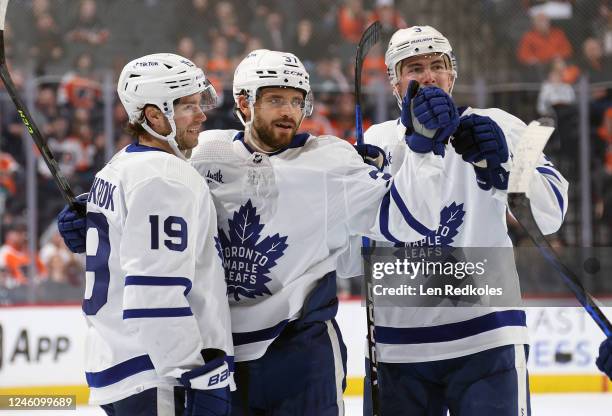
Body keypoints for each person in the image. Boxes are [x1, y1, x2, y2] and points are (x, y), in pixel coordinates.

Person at [60, 48, 456, 415]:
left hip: (299, 351)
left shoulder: (331, 162)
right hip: (221, 356)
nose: (289, 111)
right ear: (244, 104)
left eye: (297, 100)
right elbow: (147, 188)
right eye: (275, 100)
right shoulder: (202, 152)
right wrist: (100, 214)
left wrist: (422, 153)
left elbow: (412, 223)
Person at [361, 26, 569, 415]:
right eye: (414, 67)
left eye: (438, 65)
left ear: (453, 74)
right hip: (399, 345)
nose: (428, 75)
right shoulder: (379, 141)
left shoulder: (502, 123)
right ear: (394, 82)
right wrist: (420, 147)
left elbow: (553, 213)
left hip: (489, 337)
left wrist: (506, 167)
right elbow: (374, 226)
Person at [58, 53, 233, 416]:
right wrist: (194, 374)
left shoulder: (121, 164)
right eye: (188, 106)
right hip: (158, 374)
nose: (202, 115)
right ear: (154, 116)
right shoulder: (166, 177)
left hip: (122, 363)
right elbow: (155, 294)